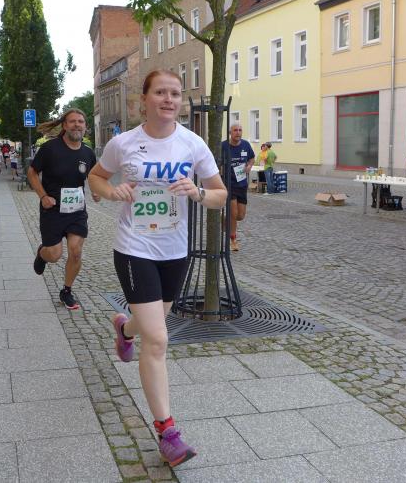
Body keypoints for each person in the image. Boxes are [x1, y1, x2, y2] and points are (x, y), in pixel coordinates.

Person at [88, 69, 227, 468]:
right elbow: (96, 178)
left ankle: (124, 329)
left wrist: (198, 191)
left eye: (175, 94)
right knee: (158, 339)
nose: (169, 99)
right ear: (144, 100)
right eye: (161, 92)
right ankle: (168, 432)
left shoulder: (192, 144)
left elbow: (220, 194)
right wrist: (111, 191)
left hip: (174, 250)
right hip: (134, 247)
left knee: (151, 325)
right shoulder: (124, 143)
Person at [28, 108, 100, 310]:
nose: (77, 125)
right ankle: (42, 254)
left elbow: (93, 176)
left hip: (76, 211)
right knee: (54, 254)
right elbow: (32, 172)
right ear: (65, 125)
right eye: (72, 121)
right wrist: (43, 196)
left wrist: (96, 191)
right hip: (52, 209)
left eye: (81, 121)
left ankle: (66, 291)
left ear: (85, 127)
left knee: (75, 252)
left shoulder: (88, 152)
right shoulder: (50, 149)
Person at [221, 124, 254, 251]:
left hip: (242, 184)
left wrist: (249, 166)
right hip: (229, 184)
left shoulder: (245, 145)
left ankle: (225, 219)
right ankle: (233, 239)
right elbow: (216, 162)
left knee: (240, 215)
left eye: (240, 130)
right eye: (235, 130)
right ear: (230, 132)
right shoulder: (223, 146)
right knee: (234, 214)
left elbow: (251, 158)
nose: (238, 132)